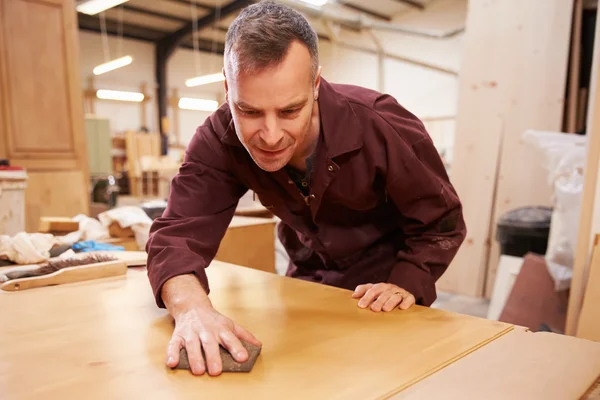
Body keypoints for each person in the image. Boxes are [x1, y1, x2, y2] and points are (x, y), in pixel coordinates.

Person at [146, 1, 466, 377]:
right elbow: (176, 236)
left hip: (385, 291)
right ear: (227, 86)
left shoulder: (381, 124)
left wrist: (408, 280)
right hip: (308, 283)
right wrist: (191, 309)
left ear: (315, 85)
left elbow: (441, 220)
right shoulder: (218, 139)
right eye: (248, 111)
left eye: (289, 111)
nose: (269, 135)